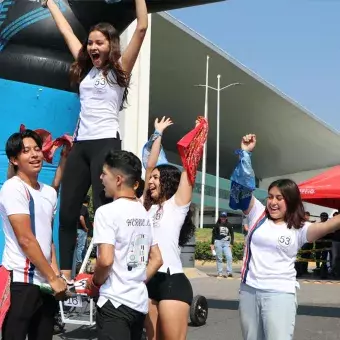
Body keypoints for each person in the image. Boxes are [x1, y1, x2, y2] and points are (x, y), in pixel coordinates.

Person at [44, 0, 149, 280]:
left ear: (110, 45)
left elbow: (141, 29)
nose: (92, 48)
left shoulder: (118, 73)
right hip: (81, 145)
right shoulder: (86, 69)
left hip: (105, 144)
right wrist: (51, 4)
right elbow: (67, 32)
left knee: (104, 213)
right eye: (90, 43)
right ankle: (66, 275)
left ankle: (108, 272)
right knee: (66, 213)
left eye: (98, 43)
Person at [231, 133, 340, 340]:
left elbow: (330, 225)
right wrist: (245, 154)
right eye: (270, 197)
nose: (273, 202)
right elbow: (242, 190)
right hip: (249, 290)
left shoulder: (300, 228)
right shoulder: (257, 214)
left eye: (279, 198)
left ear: (289, 201)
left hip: (279, 293)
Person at [85, 150, 163, 340]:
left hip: (114, 304)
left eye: (104, 173)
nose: (101, 178)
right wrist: (135, 279)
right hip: (138, 304)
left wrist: (94, 283)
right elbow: (157, 258)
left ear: (118, 179)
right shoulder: (143, 213)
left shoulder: (106, 212)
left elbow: (105, 260)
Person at [0, 129, 67, 340]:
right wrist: (51, 276)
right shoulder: (13, 188)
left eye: (37, 149)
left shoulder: (49, 193)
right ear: (14, 159)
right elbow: (26, 239)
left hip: (46, 284)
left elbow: (49, 240)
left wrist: (56, 276)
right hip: (21, 280)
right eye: (26, 151)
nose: (35, 155)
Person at [142, 118, 200, 340]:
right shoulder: (144, 207)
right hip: (148, 280)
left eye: (157, 178)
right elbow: (148, 165)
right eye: (151, 178)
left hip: (172, 281)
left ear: (168, 181)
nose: (151, 181)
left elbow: (189, 169)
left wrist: (197, 134)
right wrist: (157, 134)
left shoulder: (176, 206)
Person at [210, 211, 234, 278]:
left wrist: (231, 243)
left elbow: (232, 234)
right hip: (218, 242)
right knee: (219, 258)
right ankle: (220, 273)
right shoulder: (217, 225)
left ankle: (229, 273)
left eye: (224, 217)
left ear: (226, 217)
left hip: (226, 243)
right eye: (222, 217)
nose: (223, 218)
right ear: (220, 217)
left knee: (229, 257)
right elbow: (213, 235)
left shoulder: (229, 225)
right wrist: (212, 244)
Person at [75, 195, 91, 273]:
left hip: (78, 230)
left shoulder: (78, 207)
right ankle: (79, 264)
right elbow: (81, 217)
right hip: (82, 230)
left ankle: (80, 263)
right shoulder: (84, 207)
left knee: (80, 247)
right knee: (81, 247)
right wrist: (85, 227)